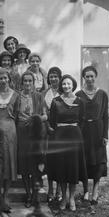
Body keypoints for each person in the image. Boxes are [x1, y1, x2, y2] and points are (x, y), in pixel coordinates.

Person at [48, 74, 87, 212]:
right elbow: (52, 120)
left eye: (68, 84)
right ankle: (63, 197)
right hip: (60, 137)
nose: (66, 86)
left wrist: (74, 130)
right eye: (64, 84)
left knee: (73, 168)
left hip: (75, 137)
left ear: (73, 85)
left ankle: (72, 198)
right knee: (62, 168)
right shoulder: (56, 101)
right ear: (61, 86)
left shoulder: (80, 101)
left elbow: (82, 120)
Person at [76, 66, 109, 205]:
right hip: (83, 131)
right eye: (86, 76)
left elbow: (106, 116)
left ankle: (95, 191)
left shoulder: (102, 94)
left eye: (91, 76)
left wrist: (105, 135)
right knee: (84, 160)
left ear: (95, 77)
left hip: (98, 130)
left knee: (98, 161)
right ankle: (85, 191)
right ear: (83, 78)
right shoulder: (78, 94)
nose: (89, 79)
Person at [0, 68, 20, 211]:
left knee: (9, 162)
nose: (3, 80)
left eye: (5, 78)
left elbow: (17, 114)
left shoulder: (15, 95)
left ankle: (6, 194)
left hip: (10, 131)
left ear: (9, 79)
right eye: (0, 78)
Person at [16, 71, 48, 207]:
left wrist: (35, 119)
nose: (27, 83)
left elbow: (45, 116)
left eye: (30, 81)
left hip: (35, 132)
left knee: (35, 165)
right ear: (22, 82)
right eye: (25, 81)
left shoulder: (39, 96)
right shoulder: (17, 97)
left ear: (33, 83)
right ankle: (28, 195)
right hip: (21, 132)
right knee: (24, 165)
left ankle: (35, 196)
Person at [42, 67, 63, 203]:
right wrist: (48, 126)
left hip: (61, 130)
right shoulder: (44, 93)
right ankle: (50, 189)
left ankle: (59, 190)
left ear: (60, 78)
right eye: (51, 76)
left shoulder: (64, 92)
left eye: (55, 76)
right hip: (48, 130)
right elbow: (43, 112)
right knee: (49, 161)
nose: (53, 79)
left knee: (61, 161)